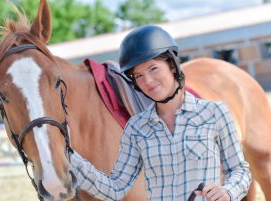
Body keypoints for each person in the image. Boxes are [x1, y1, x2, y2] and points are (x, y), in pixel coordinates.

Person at [70, 25, 251, 201]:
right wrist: (71, 159)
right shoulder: (136, 128)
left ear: (172, 65)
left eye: (153, 69)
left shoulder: (215, 113)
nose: (148, 81)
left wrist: (228, 192)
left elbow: (239, 170)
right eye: (138, 76)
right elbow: (115, 189)